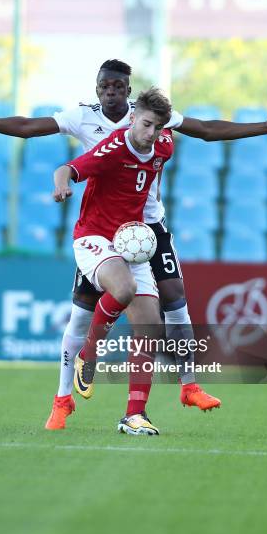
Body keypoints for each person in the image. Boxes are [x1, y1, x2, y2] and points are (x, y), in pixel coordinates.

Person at [0, 60, 267, 428]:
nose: (113, 91)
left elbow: (207, 129)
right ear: (98, 88)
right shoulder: (94, 127)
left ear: (130, 92)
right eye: (106, 85)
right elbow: (29, 129)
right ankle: (64, 395)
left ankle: (173, 393)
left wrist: (263, 127)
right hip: (100, 229)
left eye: (120, 86)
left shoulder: (156, 125)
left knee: (171, 303)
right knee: (83, 313)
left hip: (144, 229)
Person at [50, 87, 193, 434]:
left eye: (158, 127)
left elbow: (197, 132)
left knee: (150, 327)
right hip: (94, 237)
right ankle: (88, 354)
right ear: (132, 118)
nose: (151, 134)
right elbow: (66, 169)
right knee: (123, 289)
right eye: (146, 124)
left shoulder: (164, 145)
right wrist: (62, 186)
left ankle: (134, 415)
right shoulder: (112, 149)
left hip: (132, 240)